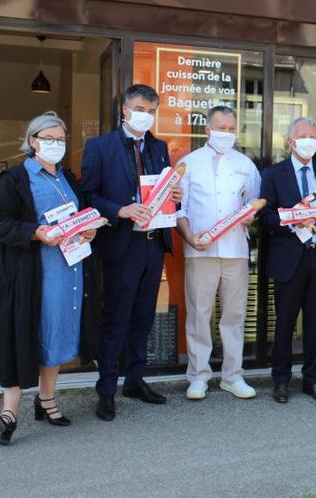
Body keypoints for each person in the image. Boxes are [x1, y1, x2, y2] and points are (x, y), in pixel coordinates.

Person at [0, 112, 100, 445]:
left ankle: (47, 399)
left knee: (55, 335)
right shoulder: (16, 178)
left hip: (68, 269)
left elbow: (76, 216)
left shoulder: (68, 179)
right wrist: (36, 232)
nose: (55, 145)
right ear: (32, 141)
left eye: (60, 139)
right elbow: (0, 222)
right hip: (32, 274)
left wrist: (86, 229)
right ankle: (9, 413)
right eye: (48, 138)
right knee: (23, 334)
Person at [81, 84, 182, 421]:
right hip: (121, 245)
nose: (146, 115)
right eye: (140, 108)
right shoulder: (100, 147)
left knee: (143, 317)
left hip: (153, 244)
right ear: (124, 109)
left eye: (152, 110)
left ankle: (135, 380)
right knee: (116, 318)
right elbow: (89, 195)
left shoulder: (159, 147)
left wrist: (175, 196)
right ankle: (107, 389)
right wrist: (120, 211)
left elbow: (163, 191)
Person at [175, 105, 260, 401]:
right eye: (220, 128)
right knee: (199, 314)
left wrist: (251, 217)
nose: (226, 134)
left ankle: (232, 376)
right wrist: (188, 236)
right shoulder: (189, 163)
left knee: (234, 315)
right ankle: (198, 376)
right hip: (200, 250)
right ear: (207, 129)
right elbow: (179, 210)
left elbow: (253, 204)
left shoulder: (246, 165)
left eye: (231, 128)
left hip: (236, 250)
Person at [259, 117, 316, 404]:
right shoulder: (273, 174)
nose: (308, 140)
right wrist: (293, 218)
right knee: (284, 322)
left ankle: (312, 378)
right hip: (288, 257)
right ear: (290, 141)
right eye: (302, 135)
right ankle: (281, 379)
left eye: (312, 136)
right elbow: (265, 217)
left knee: (315, 322)